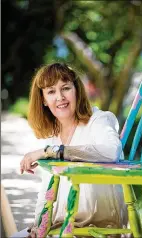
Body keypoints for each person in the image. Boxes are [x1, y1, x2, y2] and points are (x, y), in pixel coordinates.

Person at [13, 62, 128, 237]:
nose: (60, 97)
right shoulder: (54, 135)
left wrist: (52, 151)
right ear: (43, 99)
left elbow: (111, 151)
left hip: (100, 227)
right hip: (64, 224)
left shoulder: (98, 120)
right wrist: (39, 224)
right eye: (51, 91)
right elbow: (47, 190)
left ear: (76, 90)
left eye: (65, 88)